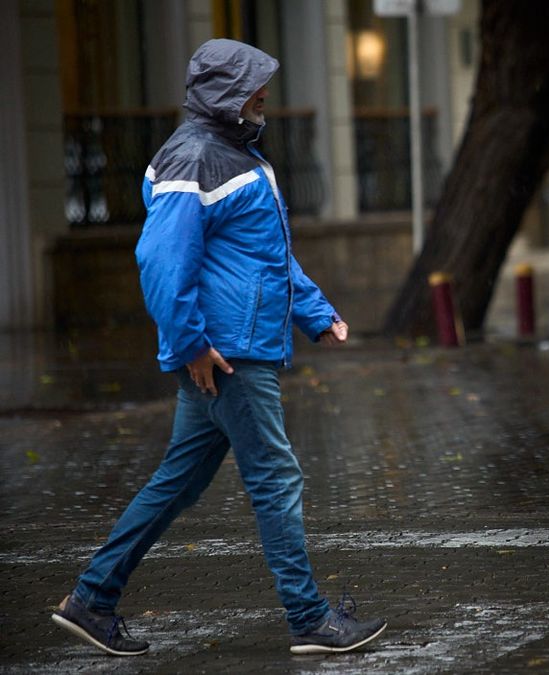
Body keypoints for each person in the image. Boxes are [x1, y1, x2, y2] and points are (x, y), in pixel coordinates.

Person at [50, 38, 386, 656]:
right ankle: (309, 619)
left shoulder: (232, 153)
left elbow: (264, 255)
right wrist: (191, 346)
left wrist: (316, 311)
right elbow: (159, 261)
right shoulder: (195, 159)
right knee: (276, 477)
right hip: (229, 353)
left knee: (179, 481)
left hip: (230, 345)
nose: (264, 96)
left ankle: (92, 598)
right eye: (255, 87)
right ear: (228, 95)